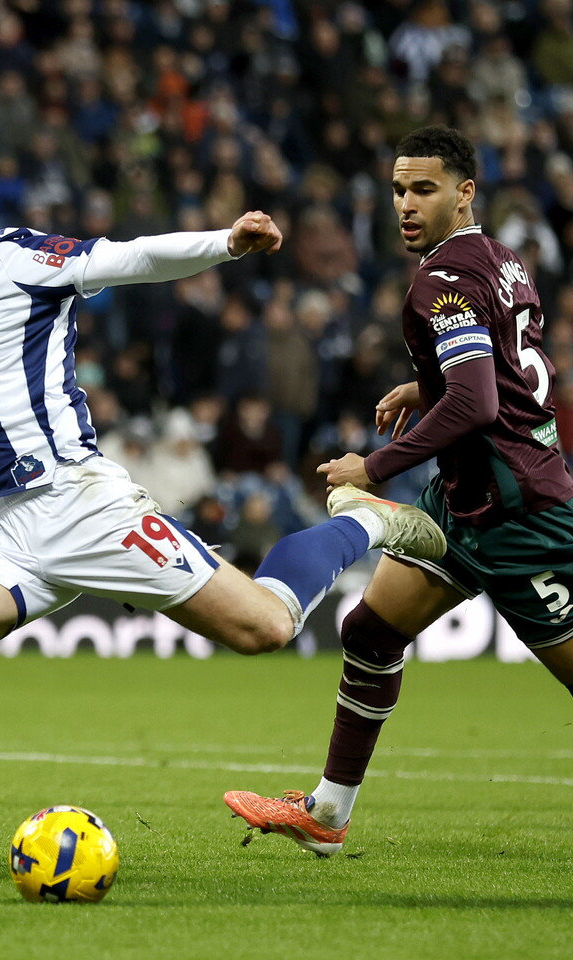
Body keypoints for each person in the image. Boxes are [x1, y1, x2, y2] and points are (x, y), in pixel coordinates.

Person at [0, 136, 446, 852]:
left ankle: (365, 523)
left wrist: (225, 241)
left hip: (80, 507)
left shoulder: (29, 260)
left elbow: (133, 258)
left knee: (265, 626)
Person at [224, 125, 573, 856]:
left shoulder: (439, 278)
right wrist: (430, 384)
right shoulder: (505, 261)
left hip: (518, 518)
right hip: (464, 501)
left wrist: (373, 468)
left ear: (464, 192)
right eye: (398, 190)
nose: (405, 205)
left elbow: (478, 402)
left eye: (424, 190)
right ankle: (326, 813)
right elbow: (506, 373)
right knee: (371, 632)